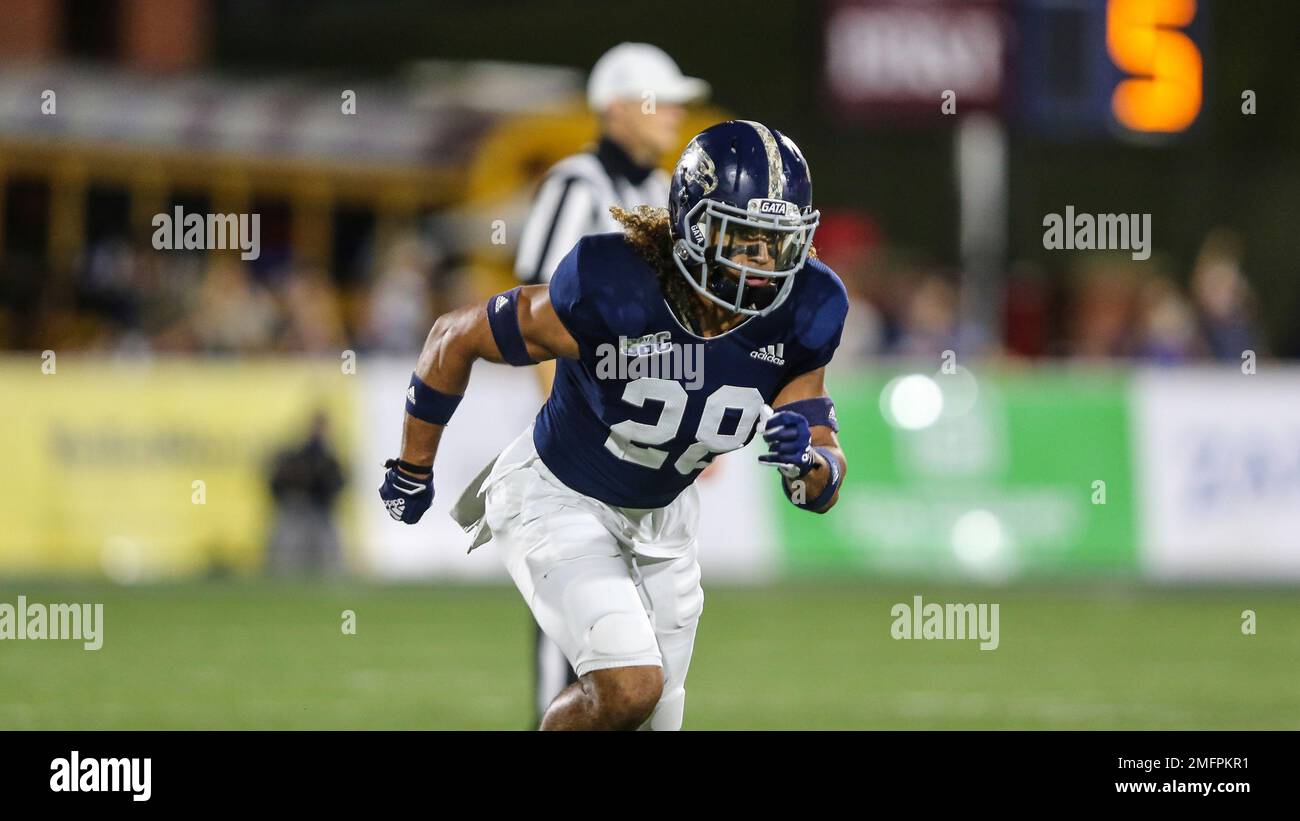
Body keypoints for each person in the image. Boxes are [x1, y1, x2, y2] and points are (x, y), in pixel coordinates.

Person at [379, 121, 849, 730]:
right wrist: (412, 468)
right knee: (629, 688)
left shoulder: (807, 310)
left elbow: (822, 484)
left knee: (651, 718)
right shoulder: (614, 287)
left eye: (778, 244)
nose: (762, 268)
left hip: (666, 523)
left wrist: (806, 463)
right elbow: (454, 336)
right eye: (743, 240)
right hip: (559, 496)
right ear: (694, 227)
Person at [513, 42, 709, 720]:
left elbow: (686, 328)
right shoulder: (577, 185)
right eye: (663, 100)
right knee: (574, 597)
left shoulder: (663, 194)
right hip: (583, 432)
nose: (675, 114)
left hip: (646, 436)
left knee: (647, 620)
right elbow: (536, 316)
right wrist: (565, 428)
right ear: (617, 107)